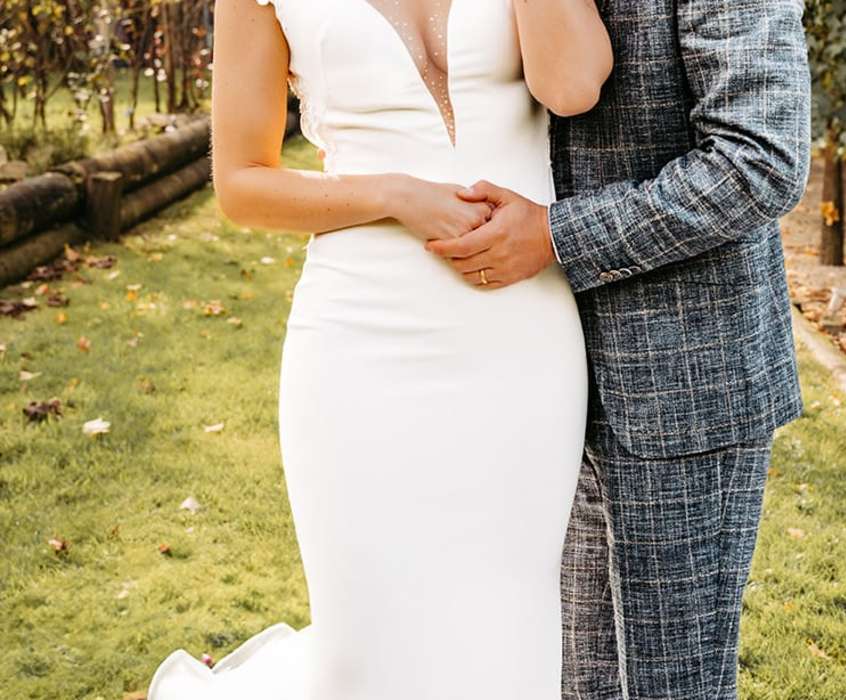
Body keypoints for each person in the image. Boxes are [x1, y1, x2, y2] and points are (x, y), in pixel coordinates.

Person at [146, 1, 611, 698]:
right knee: (368, 640)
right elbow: (242, 185)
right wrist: (394, 193)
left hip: (521, 335)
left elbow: (573, 86)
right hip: (359, 336)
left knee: (509, 622)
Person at [425, 1, 812, 697]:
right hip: (536, 371)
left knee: (672, 684)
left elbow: (760, 160)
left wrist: (557, 237)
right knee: (576, 680)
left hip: (684, 378)